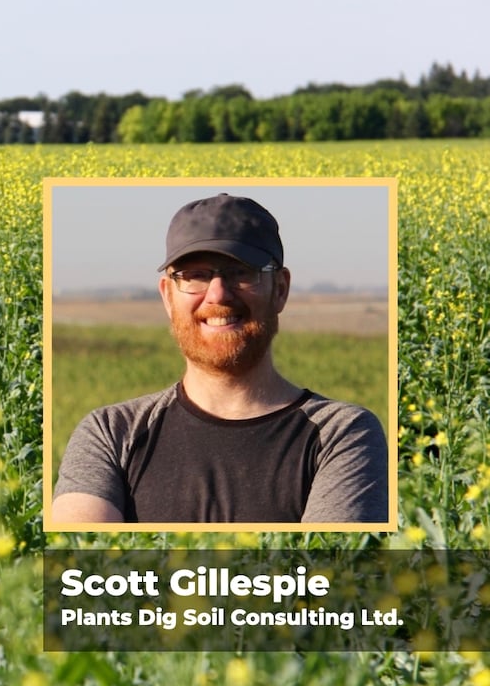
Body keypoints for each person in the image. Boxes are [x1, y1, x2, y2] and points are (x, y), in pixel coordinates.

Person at [51, 193, 389, 524]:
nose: (218, 294)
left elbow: (329, 561)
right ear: (168, 296)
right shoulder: (111, 433)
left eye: (241, 272)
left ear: (280, 289)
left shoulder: (341, 434)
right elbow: (81, 554)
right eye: (195, 276)